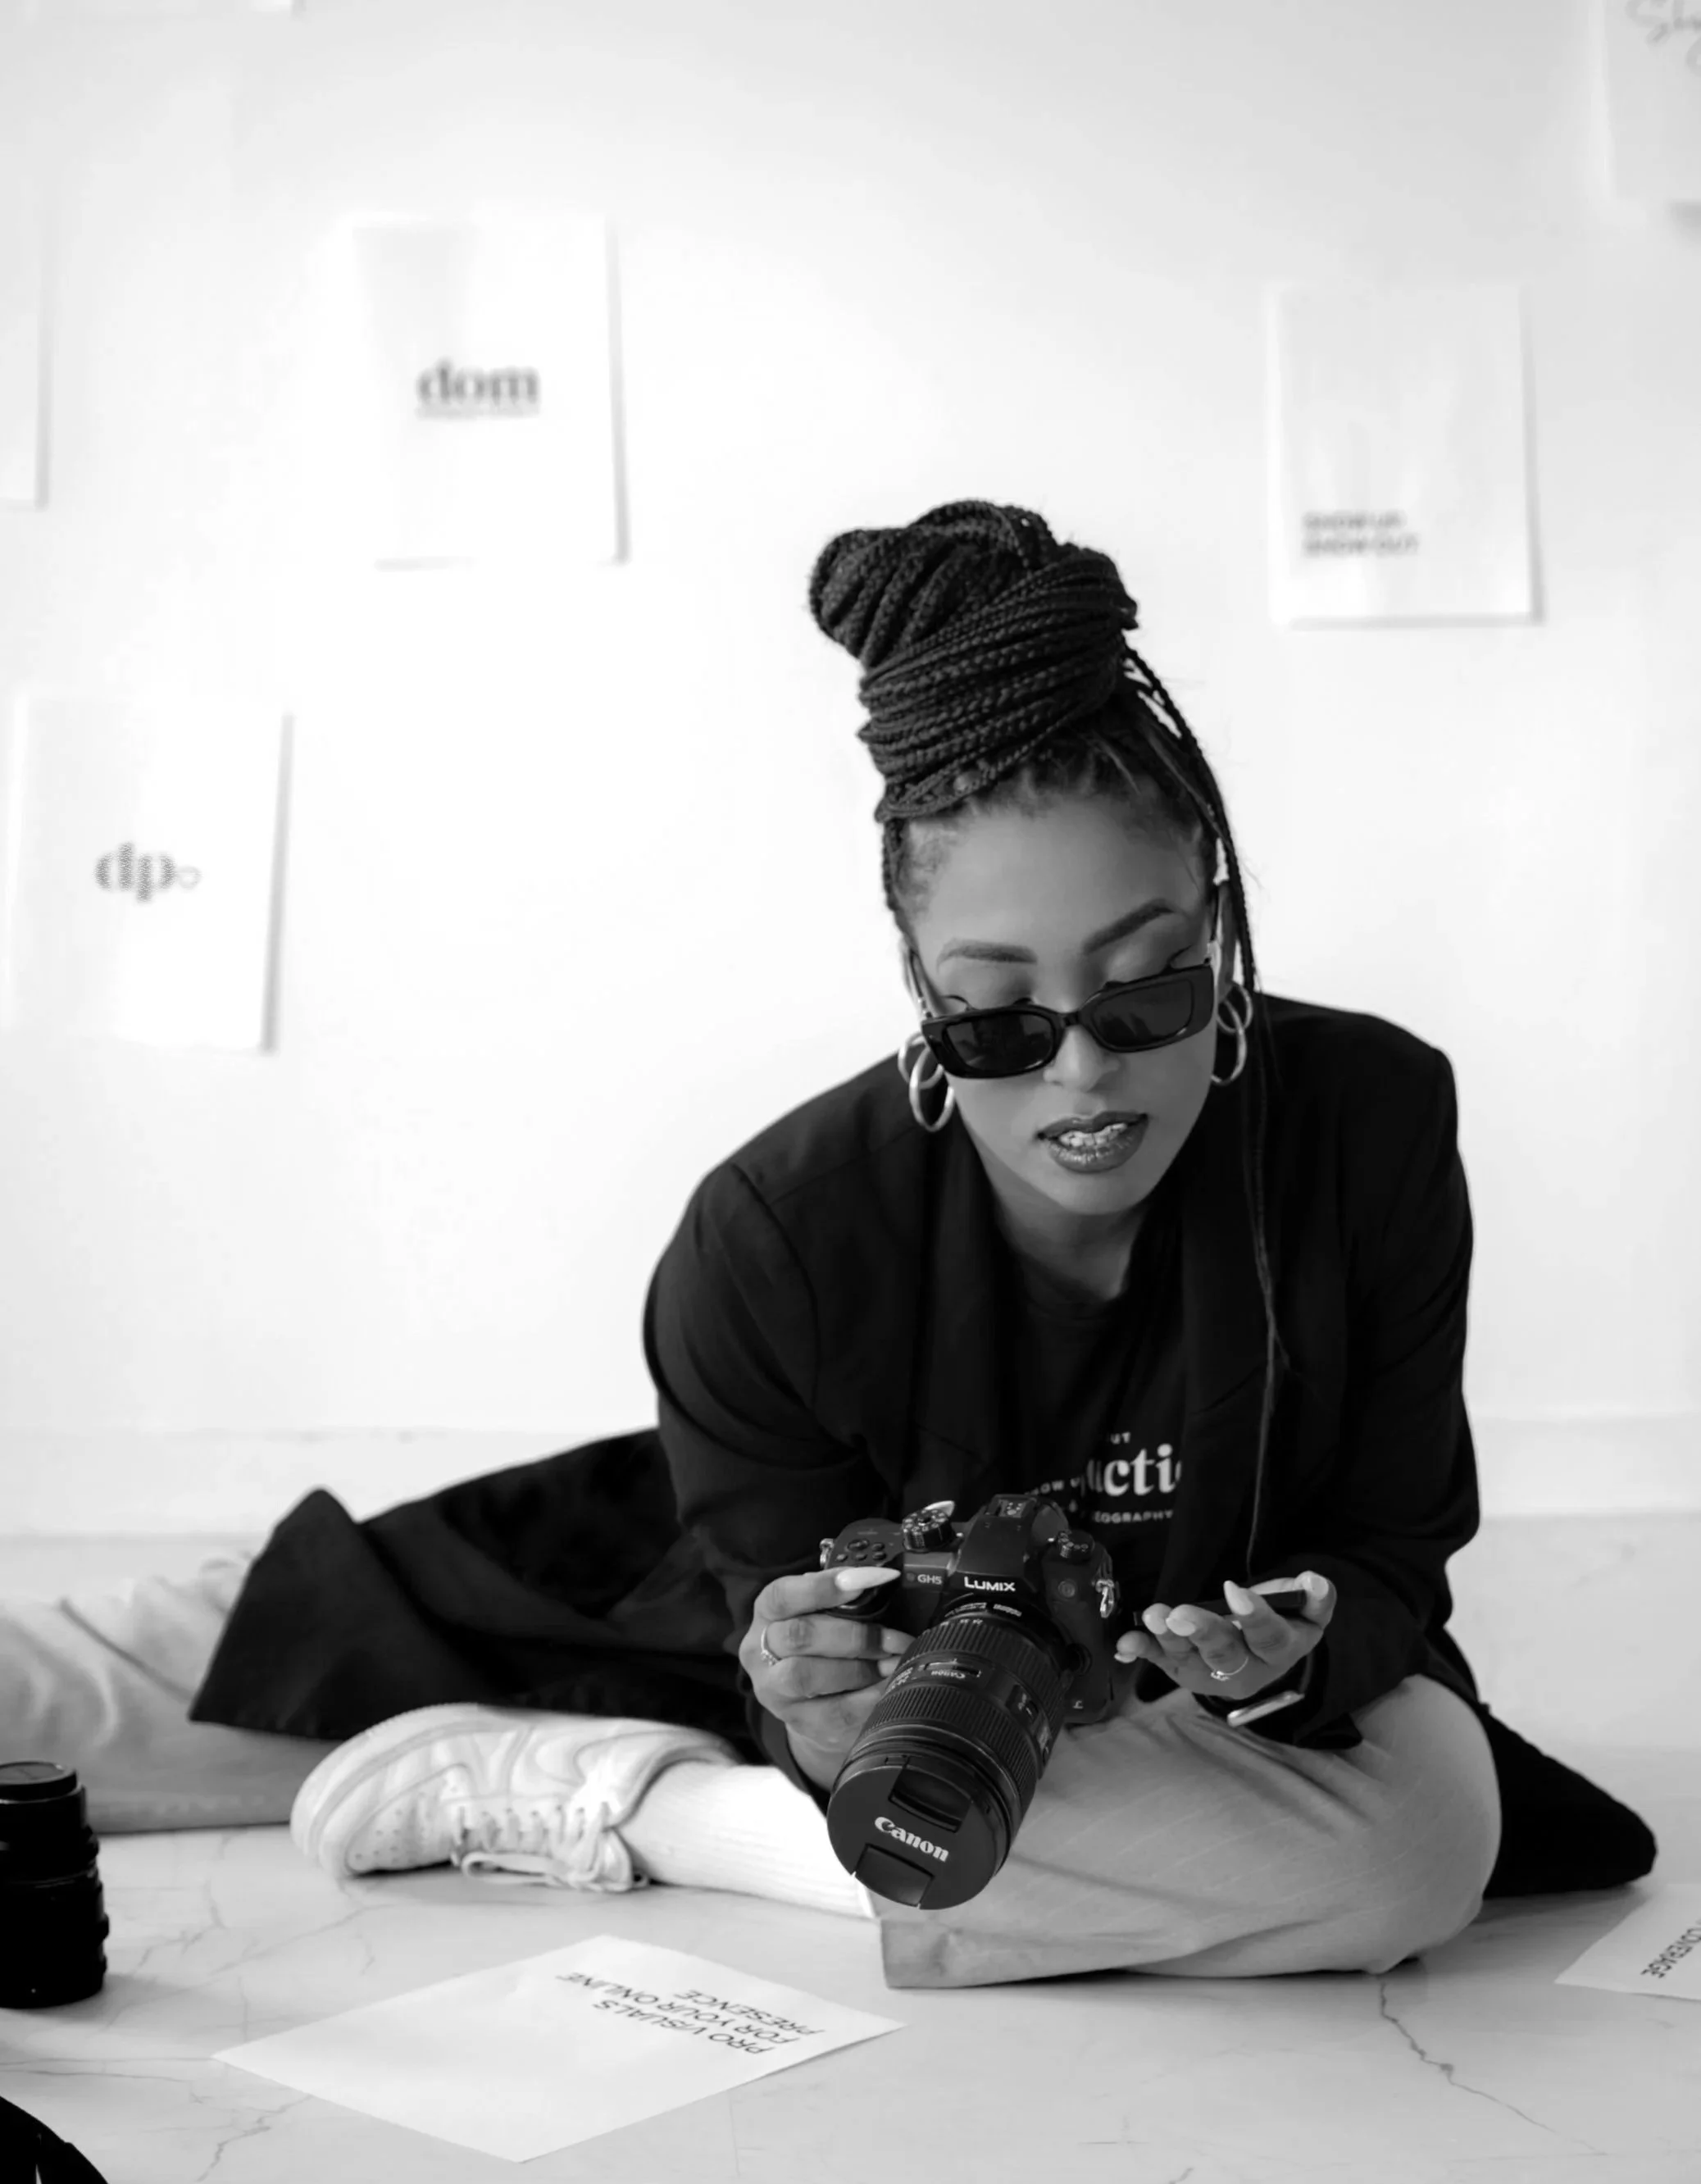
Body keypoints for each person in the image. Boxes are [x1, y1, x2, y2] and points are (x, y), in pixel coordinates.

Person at [2, 500, 1653, 1991]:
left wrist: (1296, 1652)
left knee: (1420, 1842)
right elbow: (781, 1629)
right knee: (78, 1697)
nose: (1084, 1069)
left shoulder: (1361, 1118)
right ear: (918, 988)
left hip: (1170, 1717)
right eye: (998, 1013)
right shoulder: (770, 1233)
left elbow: (1389, 1541)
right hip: (719, 1621)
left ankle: (635, 1810)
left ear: (1219, 929)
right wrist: (809, 1698)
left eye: (1147, 985)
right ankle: (639, 1762)